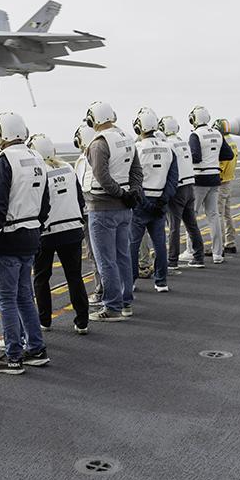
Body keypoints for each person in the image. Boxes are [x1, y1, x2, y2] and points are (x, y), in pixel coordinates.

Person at [0, 112, 50, 374]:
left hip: (8, 238)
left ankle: (14, 356)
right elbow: (45, 205)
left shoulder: (4, 161)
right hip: (31, 235)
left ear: (0, 135)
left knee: (6, 298)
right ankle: (36, 349)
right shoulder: (37, 158)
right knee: (24, 296)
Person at [81, 101, 143, 321]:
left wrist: (120, 194)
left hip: (103, 207)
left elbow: (101, 176)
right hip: (125, 208)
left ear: (93, 120)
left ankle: (112, 307)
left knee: (106, 259)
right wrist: (131, 193)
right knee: (123, 256)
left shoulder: (99, 143)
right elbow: (136, 170)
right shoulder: (127, 138)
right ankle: (126, 303)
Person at [28, 133, 89, 335]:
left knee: (42, 278)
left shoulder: (38, 172)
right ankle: (82, 321)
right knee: (74, 277)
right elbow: (80, 199)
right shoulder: (69, 168)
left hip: (47, 232)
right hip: (72, 230)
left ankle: (44, 320)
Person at [128, 108, 178, 292]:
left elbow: (133, 179)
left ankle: (131, 281)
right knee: (160, 244)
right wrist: (162, 201)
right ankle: (161, 281)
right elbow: (173, 180)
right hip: (160, 201)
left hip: (141, 202)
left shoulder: (137, 148)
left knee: (133, 245)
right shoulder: (169, 147)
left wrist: (145, 203)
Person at [188, 106, 234, 264]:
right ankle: (217, 253)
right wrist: (213, 156)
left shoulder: (195, 135)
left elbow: (195, 157)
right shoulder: (218, 133)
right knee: (213, 216)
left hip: (200, 178)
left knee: (191, 216)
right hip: (215, 178)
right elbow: (228, 154)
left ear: (194, 119)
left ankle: (191, 250)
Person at [159, 116, 205, 270]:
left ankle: (172, 260)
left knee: (174, 227)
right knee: (192, 224)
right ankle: (199, 257)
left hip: (177, 189)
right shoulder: (183, 142)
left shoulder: (168, 144)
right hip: (189, 186)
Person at [74, 124, 103, 305]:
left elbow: (82, 189)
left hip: (90, 212)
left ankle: (100, 291)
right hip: (104, 208)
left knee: (95, 254)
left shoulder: (84, 160)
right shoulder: (99, 154)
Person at [214, 119, 239, 254]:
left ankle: (219, 247)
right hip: (229, 180)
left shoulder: (223, 142)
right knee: (227, 214)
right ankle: (230, 242)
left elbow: (222, 163)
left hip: (222, 181)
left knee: (217, 214)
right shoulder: (232, 141)